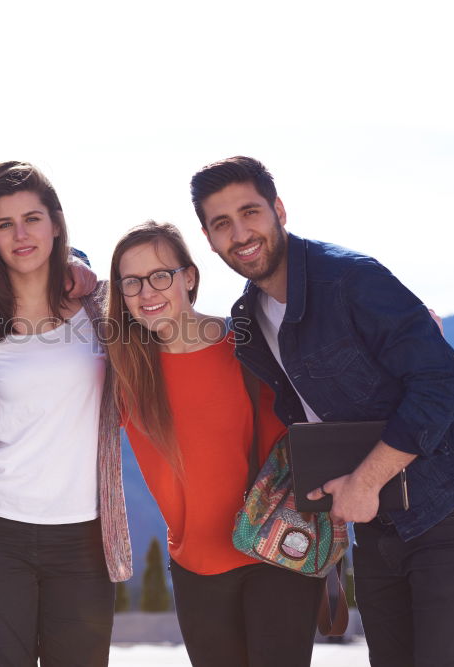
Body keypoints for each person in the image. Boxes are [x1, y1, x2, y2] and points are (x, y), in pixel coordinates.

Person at [191, 155, 454, 667]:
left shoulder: (351, 280)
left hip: (451, 510)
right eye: (222, 223)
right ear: (208, 238)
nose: (240, 232)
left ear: (279, 210)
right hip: (373, 525)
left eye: (251, 212)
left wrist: (364, 481)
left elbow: (441, 381)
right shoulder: (247, 320)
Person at [0, 161, 132, 666]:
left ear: (56, 224)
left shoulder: (103, 311)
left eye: (32, 218)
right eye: (4, 224)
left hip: (86, 538)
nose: (21, 235)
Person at [104, 220, 324, 666]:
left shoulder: (248, 344)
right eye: (132, 282)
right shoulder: (123, 369)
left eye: (161, 275)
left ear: (189, 277)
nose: (148, 292)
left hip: (276, 550)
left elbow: (322, 391)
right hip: (195, 566)